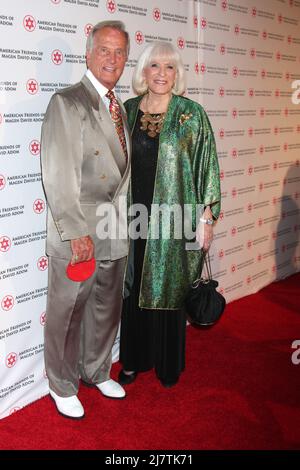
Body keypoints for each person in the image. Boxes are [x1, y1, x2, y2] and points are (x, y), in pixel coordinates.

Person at [41, 21, 130, 419]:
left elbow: (123, 175)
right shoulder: (68, 102)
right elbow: (59, 174)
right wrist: (76, 232)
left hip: (114, 229)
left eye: (120, 52)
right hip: (77, 230)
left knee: (106, 308)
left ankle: (95, 370)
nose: (113, 59)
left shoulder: (119, 106)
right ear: (88, 53)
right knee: (68, 311)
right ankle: (61, 383)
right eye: (105, 50)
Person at [118, 41, 221, 388]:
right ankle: (133, 359)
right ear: (143, 71)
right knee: (134, 287)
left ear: (177, 74)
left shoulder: (192, 114)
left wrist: (206, 219)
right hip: (134, 218)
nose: (162, 74)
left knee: (169, 286)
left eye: (170, 67)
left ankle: (167, 364)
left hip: (176, 218)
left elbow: (207, 167)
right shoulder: (128, 110)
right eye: (155, 66)